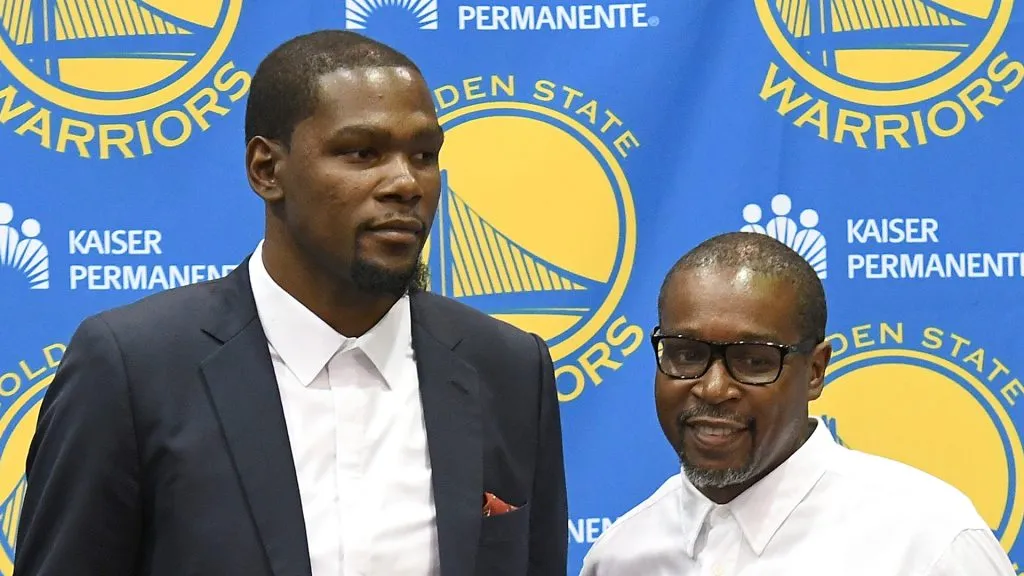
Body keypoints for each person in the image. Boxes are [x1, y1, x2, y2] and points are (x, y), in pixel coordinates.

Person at [14, 30, 567, 576]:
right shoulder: (132, 369)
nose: (405, 183)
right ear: (266, 169)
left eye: (424, 155)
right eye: (361, 153)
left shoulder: (510, 368)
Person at [579, 232, 1014, 575]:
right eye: (687, 354)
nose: (713, 388)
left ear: (815, 371)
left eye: (753, 360)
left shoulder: (927, 542)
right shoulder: (620, 556)